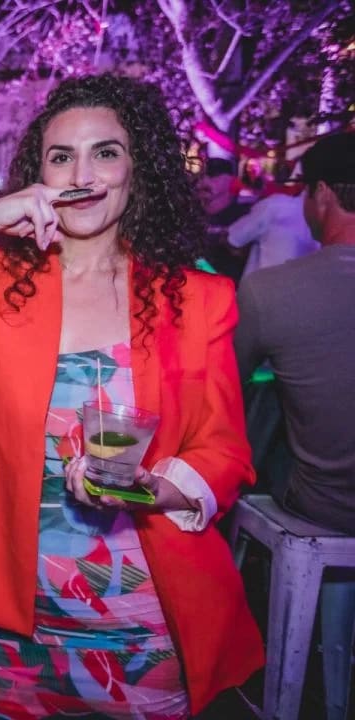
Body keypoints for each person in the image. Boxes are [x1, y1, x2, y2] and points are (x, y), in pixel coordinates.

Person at [0, 74, 263, 718]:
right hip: (12, 612)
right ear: (39, 175)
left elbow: (225, 453)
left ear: (137, 168)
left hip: (141, 616)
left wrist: (148, 489)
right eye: (62, 156)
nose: (83, 174)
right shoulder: (0, 278)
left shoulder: (199, 299)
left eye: (106, 152)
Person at [233, 132, 355, 720]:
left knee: (264, 410)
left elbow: (225, 385)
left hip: (326, 505)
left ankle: (239, 638)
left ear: (323, 194)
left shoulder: (272, 290)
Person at [197, 157, 251, 283]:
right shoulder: (189, 214)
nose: (204, 182)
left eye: (213, 176)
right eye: (201, 177)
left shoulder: (244, 217)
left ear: (231, 181)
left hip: (230, 287)